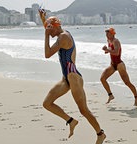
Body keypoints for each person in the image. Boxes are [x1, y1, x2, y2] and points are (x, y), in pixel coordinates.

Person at [38, 9, 106, 144]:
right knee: (47, 103)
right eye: (48, 30)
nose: (49, 34)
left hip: (73, 77)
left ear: (56, 27)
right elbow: (51, 29)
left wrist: (45, 35)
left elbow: (47, 54)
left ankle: (100, 134)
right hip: (66, 78)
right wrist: (43, 19)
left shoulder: (64, 37)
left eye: (50, 30)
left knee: (84, 110)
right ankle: (71, 121)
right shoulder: (59, 33)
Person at [100, 28, 137, 106]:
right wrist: (106, 50)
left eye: (108, 34)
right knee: (102, 79)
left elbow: (116, 53)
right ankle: (110, 95)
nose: (106, 36)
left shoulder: (116, 41)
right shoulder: (109, 41)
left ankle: (136, 97)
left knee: (127, 82)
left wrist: (107, 50)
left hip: (119, 65)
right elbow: (110, 50)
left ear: (112, 34)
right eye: (106, 34)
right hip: (112, 64)